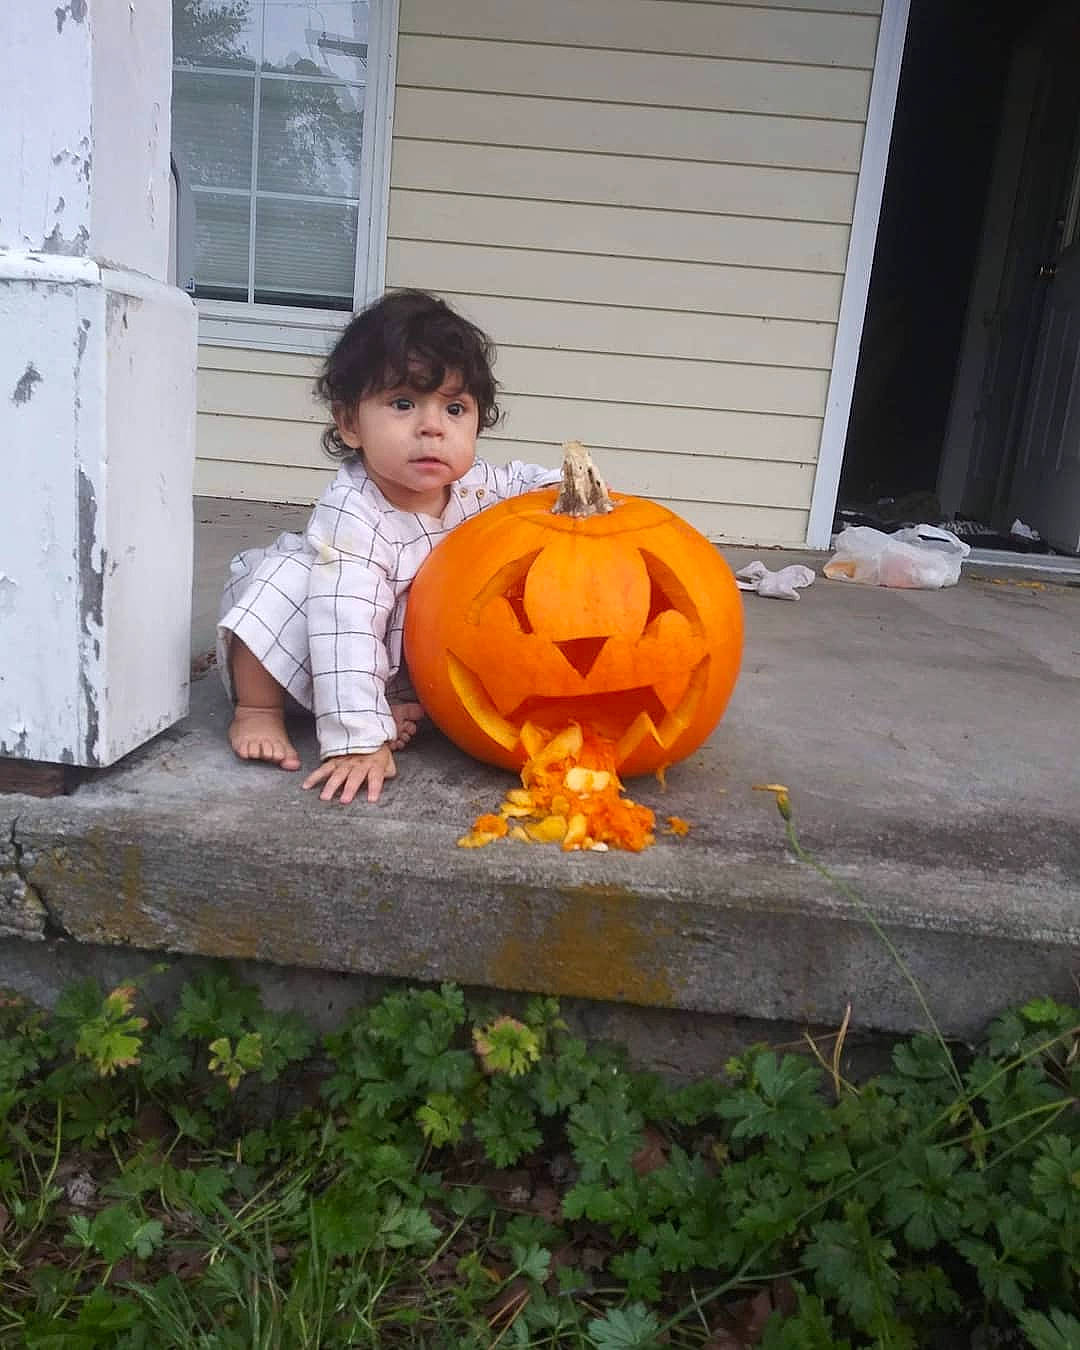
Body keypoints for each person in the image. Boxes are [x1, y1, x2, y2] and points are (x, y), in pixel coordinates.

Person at [217, 289, 561, 804]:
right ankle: (256, 710)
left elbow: (523, 483)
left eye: (455, 408)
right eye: (403, 404)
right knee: (284, 581)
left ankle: (386, 703)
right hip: (310, 648)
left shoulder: (476, 487)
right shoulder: (355, 513)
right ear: (350, 424)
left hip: (391, 655)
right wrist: (358, 739)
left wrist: (568, 492)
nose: (432, 427)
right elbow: (345, 625)